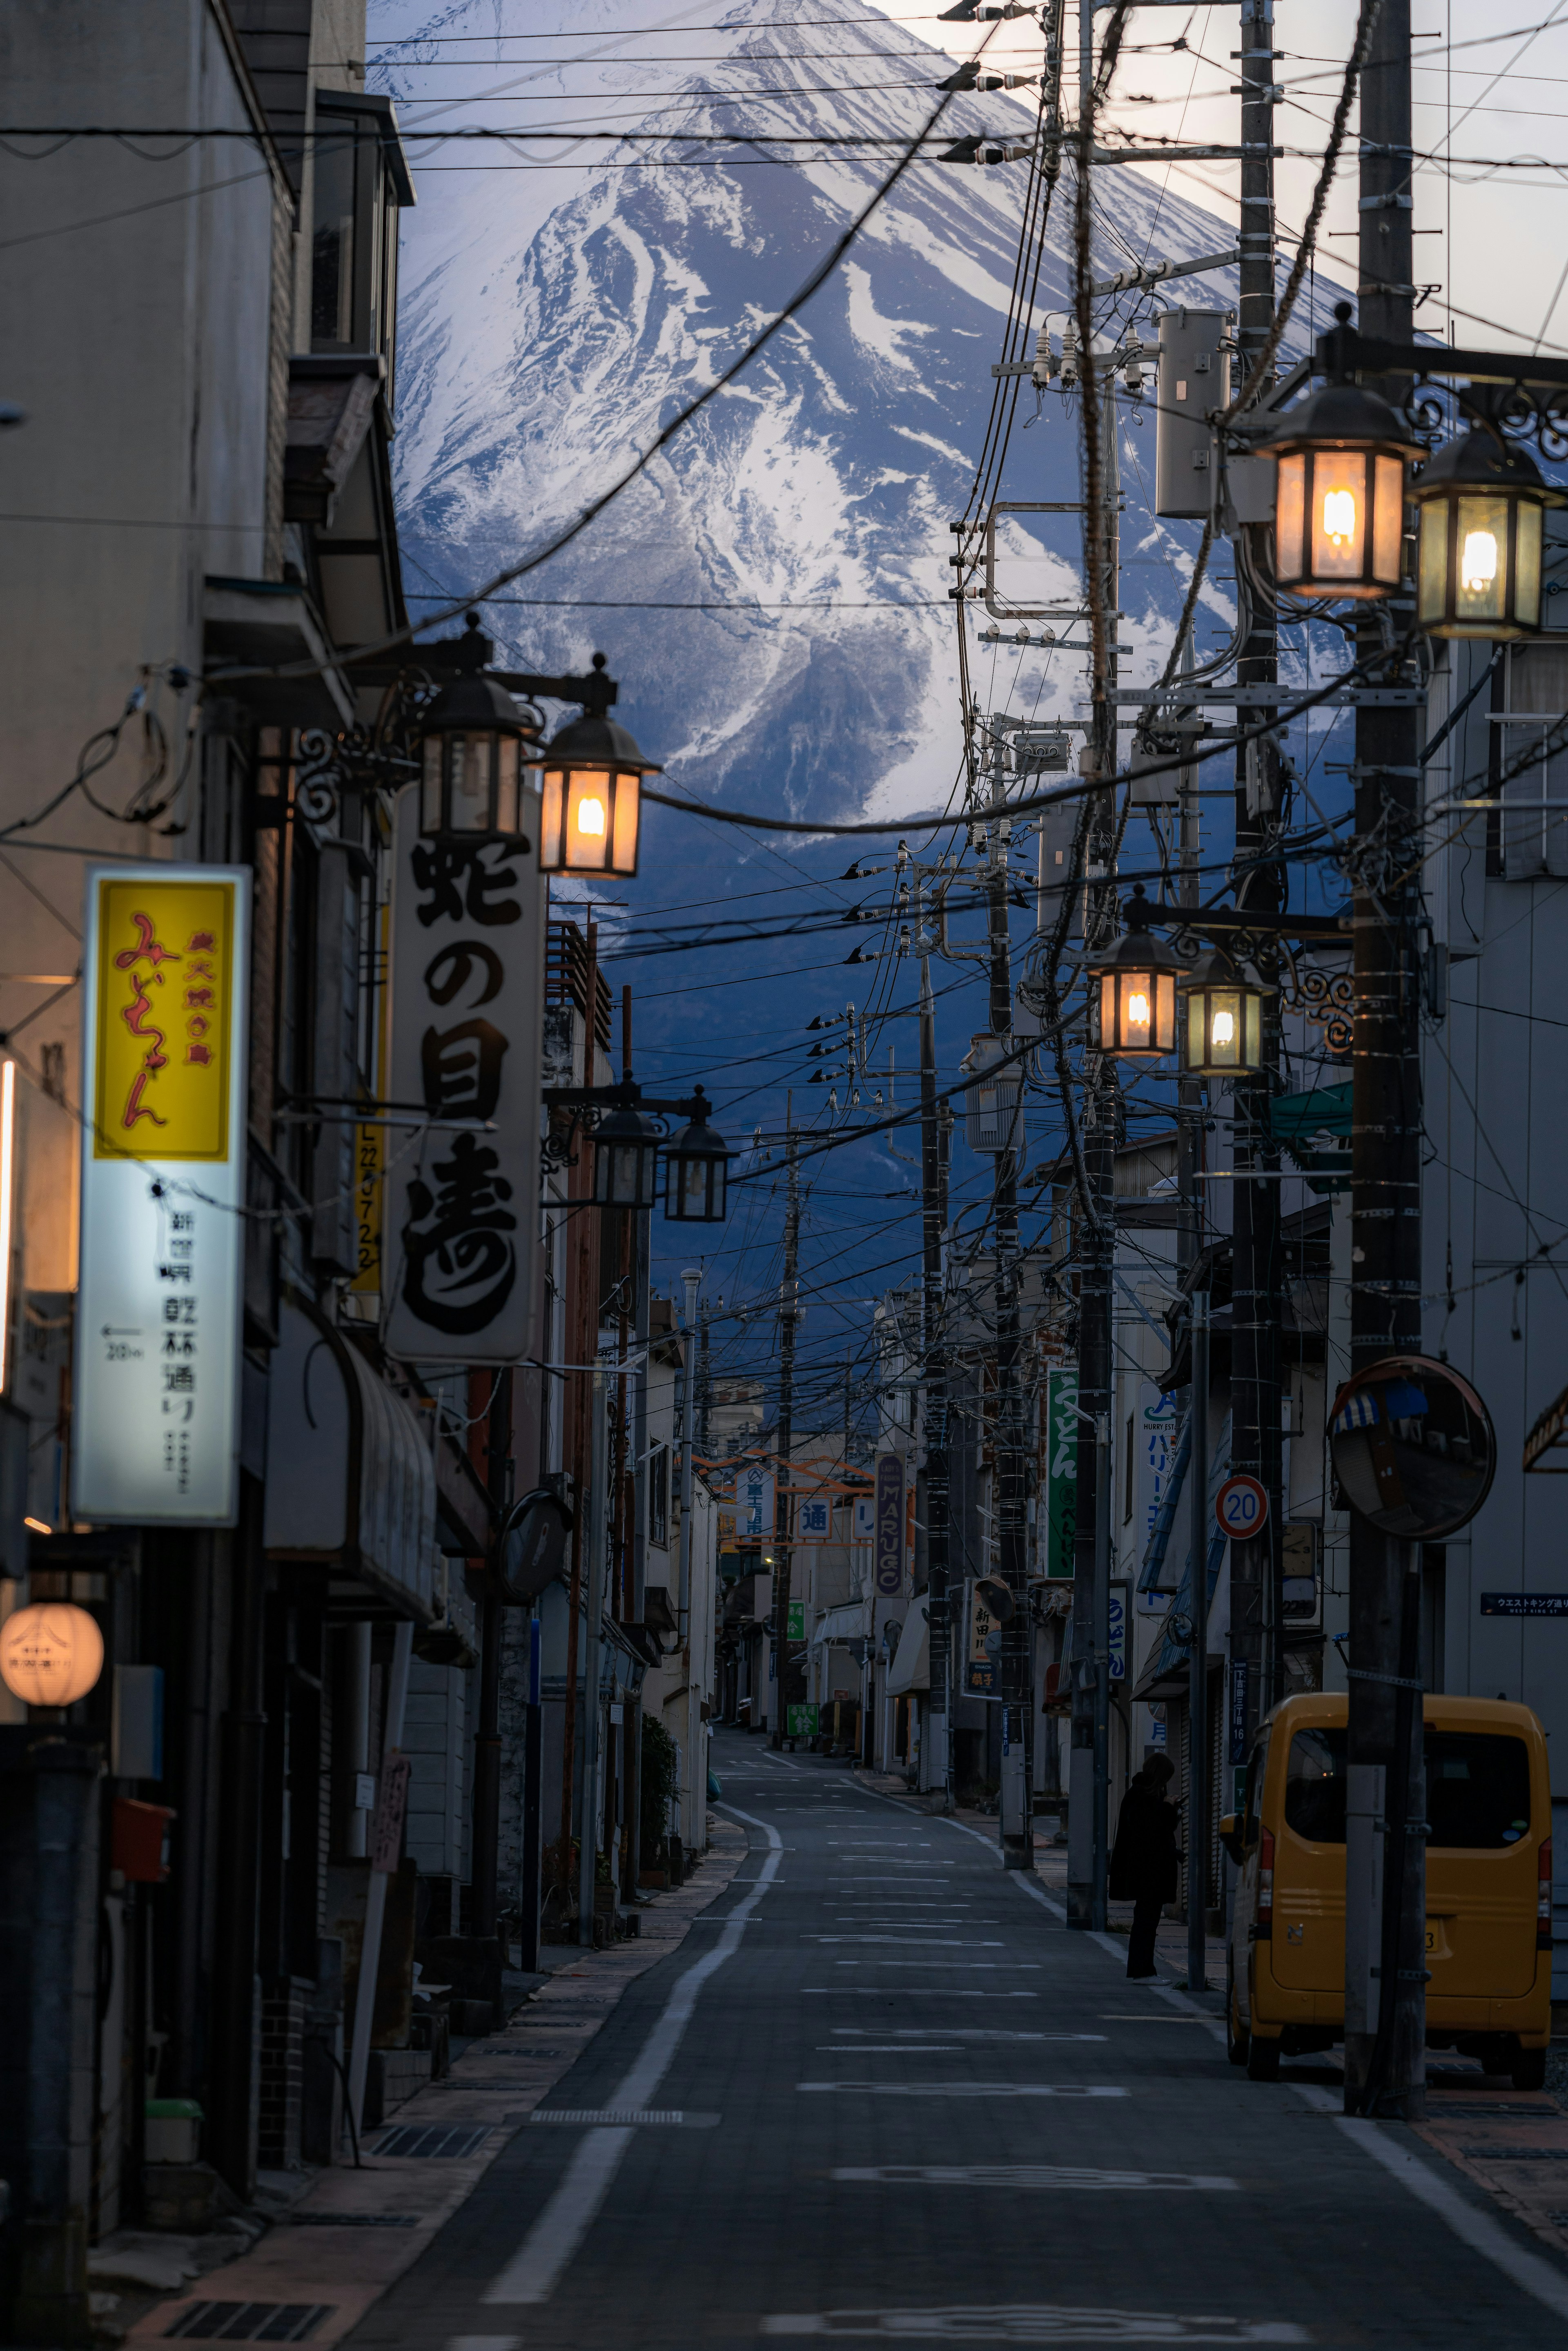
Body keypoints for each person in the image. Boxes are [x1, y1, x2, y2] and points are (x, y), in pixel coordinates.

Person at [1109, 1752, 1183, 1979]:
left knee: (1148, 1922)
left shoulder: (1142, 1795)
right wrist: (1169, 1808)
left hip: (1148, 1871)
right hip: (1147, 1872)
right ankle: (1142, 1971)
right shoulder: (1142, 1796)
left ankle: (1144, 1969)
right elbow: (1152, 1831)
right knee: (1146, 1923)